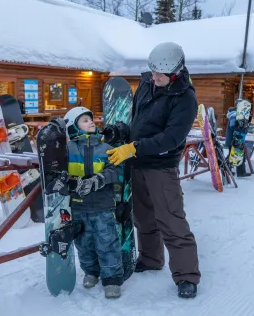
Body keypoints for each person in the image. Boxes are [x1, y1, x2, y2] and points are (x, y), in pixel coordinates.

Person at [106, 42, 201, 299]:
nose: (154, 78)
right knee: (143, 218)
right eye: (153, 72)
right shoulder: (148, 82)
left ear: (176, 73)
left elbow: (171, 138)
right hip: (136, 162)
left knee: (171, 220)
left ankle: (186, 276)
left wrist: (134, 147)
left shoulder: (185, 98)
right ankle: (150, 258)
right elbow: (136, 116)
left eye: (160, 75)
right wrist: (124, 135)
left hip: (160, 166)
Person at [61, 107, 124, 298]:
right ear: (73, 126)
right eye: (85, 120)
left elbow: (116, 169)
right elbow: (57, 169)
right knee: (84, 242)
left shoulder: (106, 148)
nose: (91, 122)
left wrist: (97, 180)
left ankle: (112, 278)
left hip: (103, 205)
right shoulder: (67, 150)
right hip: (78, 206)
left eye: (91, 119)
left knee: (107, 242)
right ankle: (91, 271)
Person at [225, 106, 251, 177]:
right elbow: (232, 126)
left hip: (233, 139)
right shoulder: (234, 115)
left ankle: (238, 172)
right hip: (233, 139)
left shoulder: (234, 115)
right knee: (235, 155)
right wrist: (241, 129)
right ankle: (232, 171)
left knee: (238, 154)